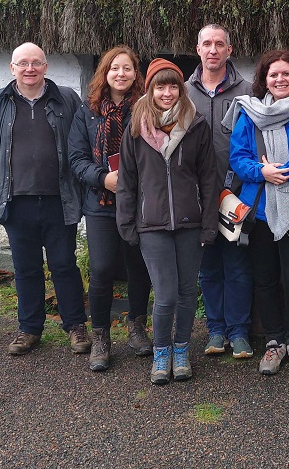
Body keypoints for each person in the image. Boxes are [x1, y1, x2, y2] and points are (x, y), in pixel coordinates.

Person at [0, 42, 91, 357]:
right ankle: (29, 329)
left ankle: (76, 326)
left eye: (36, 63)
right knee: (25, 268)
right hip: (15, 200)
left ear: (45, 66)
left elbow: (81, 142)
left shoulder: (66, 98)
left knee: (64, 264)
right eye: (23, 63)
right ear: (12, 68)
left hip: (59, 199)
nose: (30, 69)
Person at [116, 59, 220, 385]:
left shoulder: (196, 125)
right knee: (166, 295)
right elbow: (127, 181)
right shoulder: (136, 128)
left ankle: (181, 350)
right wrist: (127, 225)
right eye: (160, 86)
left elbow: (209, 179)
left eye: (173, 85)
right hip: (152, 225)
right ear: (150, 89)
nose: (167, 92)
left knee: (188, 292)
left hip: (190, 224)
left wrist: (209, 223)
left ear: (181, 88)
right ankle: (161, 352)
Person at [225, 50, 289, 375]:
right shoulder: (250, 114)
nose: (280, 79)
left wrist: (285, 170)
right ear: (263, 80)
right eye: (273, 74)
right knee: (265, 280)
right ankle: (274, 342)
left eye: (286, 73)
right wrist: (260, 172)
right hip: (262, 211)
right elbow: (237, 157)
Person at [69, 46, 154, 372]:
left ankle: (136, 327)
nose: (121, 73)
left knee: (138, 267)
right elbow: (76, 159)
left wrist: (133, 180)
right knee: (103, 269)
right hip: (100, 203)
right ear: (104, 73)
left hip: (139, 202)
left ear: (136, 74)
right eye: (114, 68)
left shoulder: (146, 109)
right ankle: (101, 335)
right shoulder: (87, 112)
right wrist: (103, 178)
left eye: (127, 68)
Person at [186, 24, 254, 359]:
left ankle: (239, 332)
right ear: (197, 49)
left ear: (230, 50)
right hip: (197, 198)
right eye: (207, 44)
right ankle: (215, 331)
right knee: (208, 267)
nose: (213, 50)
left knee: (238, 265)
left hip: (236, 196)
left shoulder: (249, 91)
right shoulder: (183, 92)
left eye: (220, 44)